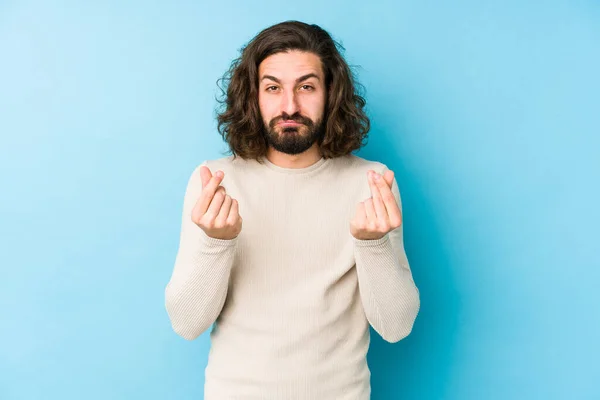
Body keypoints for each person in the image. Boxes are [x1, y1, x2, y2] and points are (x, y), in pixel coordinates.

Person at [164, 20, 420, 399]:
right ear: (253, 97)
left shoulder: (373, 183)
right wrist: (217, 243)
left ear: (330, 93)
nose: (290, 106)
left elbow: (396, 326)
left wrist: (373, 245)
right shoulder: (214, 182)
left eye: (306, 86)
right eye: (273, 88)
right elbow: (186, 323)